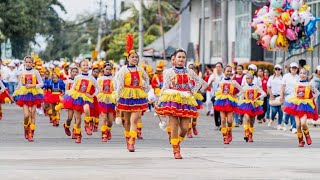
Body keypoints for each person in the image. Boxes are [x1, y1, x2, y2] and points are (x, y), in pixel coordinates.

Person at [155, 48, 201, 159]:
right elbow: (165, 87)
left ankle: (177, 141)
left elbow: (199, 82)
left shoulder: (189, 71)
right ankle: (176, 149)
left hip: (185, 100)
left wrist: (192, 91)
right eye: (179, 57)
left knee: (185, 128)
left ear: (186, 59)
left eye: (183, 57)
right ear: (174, 59)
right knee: (174, 125)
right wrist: (159, 100)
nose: (181, 59)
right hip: (172, 100)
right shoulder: (168, 72)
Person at [114, 34, 150, 152]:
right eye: (132, 57)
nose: (135, 59)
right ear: (128, 58)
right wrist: (117, 97)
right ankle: (128, 138)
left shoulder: (140, 69)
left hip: (138, 96)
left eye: (136, 57)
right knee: (126, 120)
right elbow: (119, 84)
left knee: (135, 119)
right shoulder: (123, 70)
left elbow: (146, 79)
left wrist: (145, 88)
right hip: (126, 96)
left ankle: (132, 142)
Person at [63, 60, 100, 143]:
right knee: (78, 120)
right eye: (84, 65)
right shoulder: (77, 77)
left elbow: (99, 88)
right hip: (77, 97)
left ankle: (87, 125)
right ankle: (78, 135)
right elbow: (73, 88)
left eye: (87, 65)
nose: (86, 66)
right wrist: (70, 96)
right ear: (80, 67)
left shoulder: (91, 78)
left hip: (86, 98)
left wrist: (92, 95)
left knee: (87, 109)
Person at [283, 66, 319, 147]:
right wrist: (288, 99)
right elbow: (294, 93)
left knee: (303, 123)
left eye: (304, 73)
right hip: (296, 105)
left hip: (305, 106)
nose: (302, 75)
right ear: (299, 74)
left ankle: (307, 135)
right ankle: (301, 140)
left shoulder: (309, 84)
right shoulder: (296, 83)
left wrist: (311, 98)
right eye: (301, 73)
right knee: (298, 125)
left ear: (307, 75)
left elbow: (317, 93)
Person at [13, 56, 44, 142]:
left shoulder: (36, 72)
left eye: (30, 62)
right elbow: (19, 85)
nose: (28, 64)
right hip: (24, 94)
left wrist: (33, 85)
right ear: (24, 63)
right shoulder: (22, 73)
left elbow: (41, 83)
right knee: (26, 115)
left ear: (32, 63)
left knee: (33, 113)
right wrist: (14, 93)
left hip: (34, 94)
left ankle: (31, 133)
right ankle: (26, 128)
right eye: (27, 62)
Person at [214, 65, 243, 144]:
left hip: (230, 102)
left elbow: (242, 90)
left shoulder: (233, 82)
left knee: (230, 121)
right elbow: (216, 90)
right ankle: (225, 137)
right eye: (227, 71)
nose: (229, 73)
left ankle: (229, 131)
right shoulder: (221, 81)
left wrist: (236, 95)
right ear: (224, 71)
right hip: (221, 102)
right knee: (223, 120)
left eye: (230, 71)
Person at [238, 71, 266, 142]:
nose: (248, 80)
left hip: (254, 105)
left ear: (252, 79)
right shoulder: (244, 87)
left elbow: (264, 93)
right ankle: (246, 133)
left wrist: (258, 98)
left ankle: (250, 135)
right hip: (246, 105)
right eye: (247, 78)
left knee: (252, 121)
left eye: (249, 78)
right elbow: (239, 95)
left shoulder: (256, 87)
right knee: (247, 118)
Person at [97, 63, 116, 142]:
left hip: (111, 99)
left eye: (109, 69)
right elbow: (96, 89)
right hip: (102, 99)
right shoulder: (99, 79)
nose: (108, 71)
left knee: (110, 121)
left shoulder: (114, 79)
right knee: (104, 118)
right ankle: (104, 134)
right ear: (103, 70)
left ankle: (108, 130)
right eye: (106, 69)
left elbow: (116, 88)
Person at [281, 62, 299, 133]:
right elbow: (282, 86)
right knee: (288, 112)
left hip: (296, 97)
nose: (294, 69)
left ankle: (293, 126)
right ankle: (285, 121)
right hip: (287, 96)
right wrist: (281, 96)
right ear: (290, 68)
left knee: (294, 112)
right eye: (292, 68)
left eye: (295, 68)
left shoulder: (298, 77)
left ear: (297, 69)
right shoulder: (286, 76)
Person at [62, 66, 79, 138]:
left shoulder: (79, 81)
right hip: (70, 101)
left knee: (76, 117)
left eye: (76, 72)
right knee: (70, 118)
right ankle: (66, 126)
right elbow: (66, 92)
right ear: (70, 73)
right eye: (73, 72)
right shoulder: (68, 81)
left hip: (78, 101)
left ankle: (75, 132)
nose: (75, 73)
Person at [267, 64, 284, 130]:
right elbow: (268, 87)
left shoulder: (282, 78)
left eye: (279, 69)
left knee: (280, 111)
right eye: (276, 69)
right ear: (274, 70)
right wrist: (271, 95)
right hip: (273, 96)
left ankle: (279, 124)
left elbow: (284, 87)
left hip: (280, 96)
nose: (277, 70)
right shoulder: (271, 77)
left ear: (281, 70)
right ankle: (272, 119)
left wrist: (282, 96)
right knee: (274, 110)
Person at [209, 62, 224, 130]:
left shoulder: (224, 76)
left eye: (219, 67)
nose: (218, 68)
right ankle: (217, 124)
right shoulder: (212, 76)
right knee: (216, 110)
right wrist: (211, 81)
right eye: (217, 67)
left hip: (222, 96)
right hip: (214, 95)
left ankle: (221, 123)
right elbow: (208, 86)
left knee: (222, 110)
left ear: (222, 68)